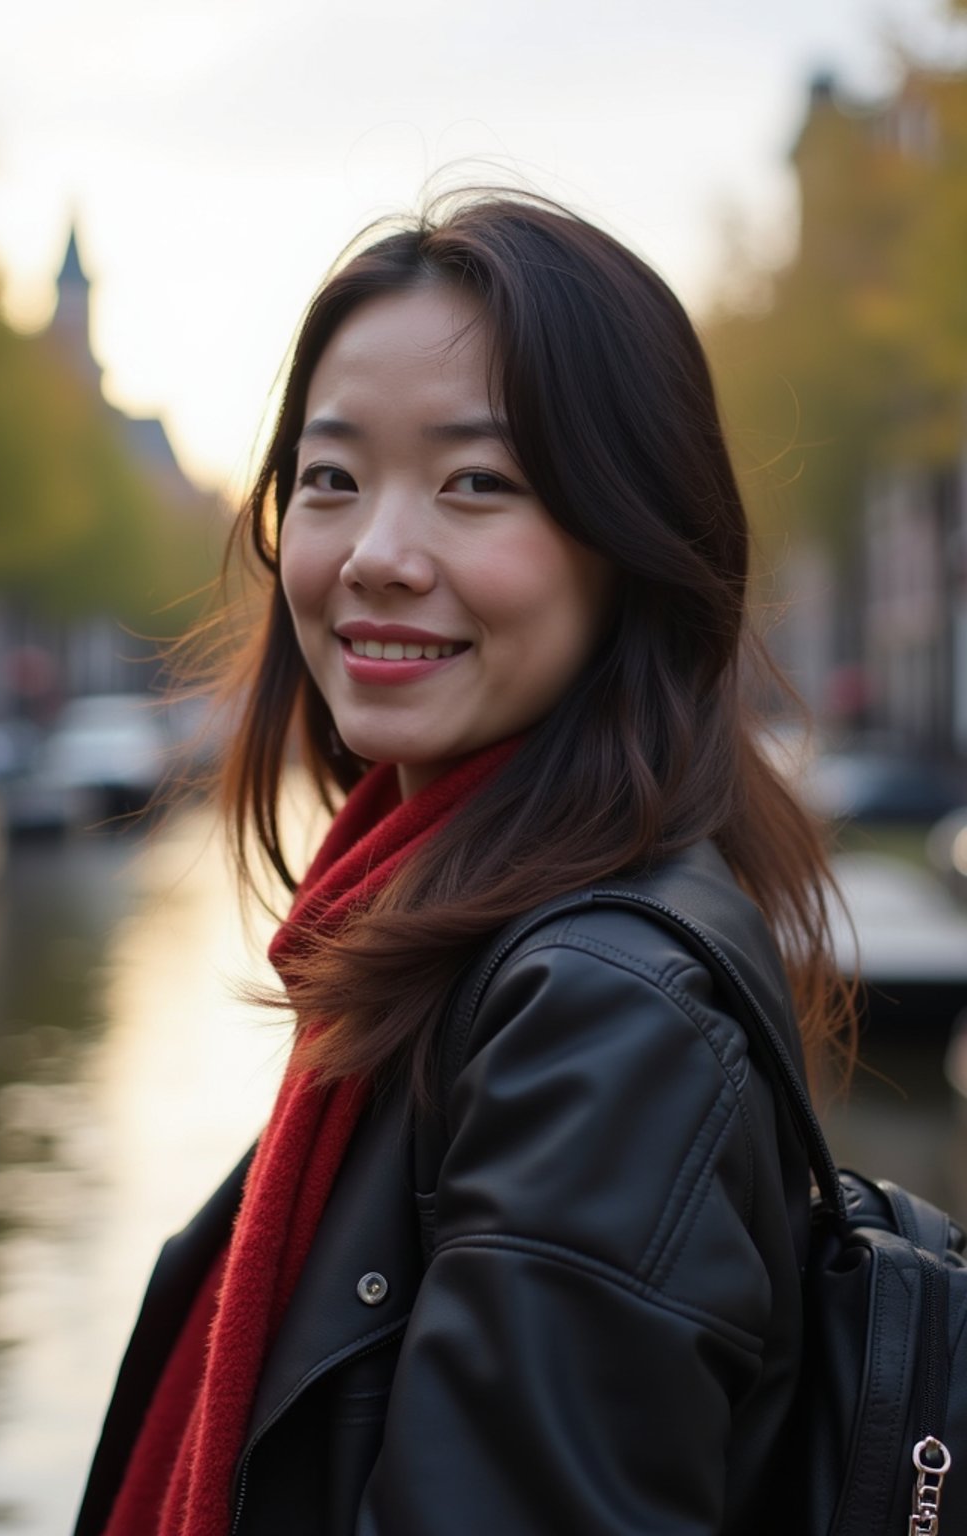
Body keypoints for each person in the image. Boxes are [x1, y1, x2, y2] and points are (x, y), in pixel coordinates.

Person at [74, 190, 852, 1536]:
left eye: (476, 482)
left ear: (632, 540)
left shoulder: (602, 1025)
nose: (376, 555)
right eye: (332, 479)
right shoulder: (448, 956)